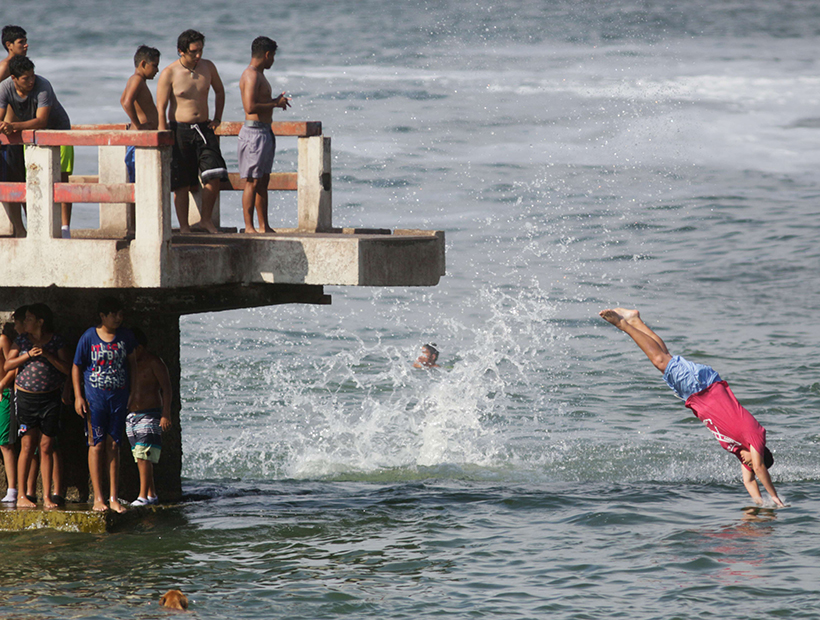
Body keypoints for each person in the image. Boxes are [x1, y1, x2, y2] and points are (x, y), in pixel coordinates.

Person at [599, 307, 785, 507]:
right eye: (751, 462)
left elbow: (748, 480)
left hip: (697, 393)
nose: (747, 464)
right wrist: (774, 498)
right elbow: (758, 469)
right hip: (703, 388)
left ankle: (635, 321)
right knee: (660, 360)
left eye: (747, 464)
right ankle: (623, 324)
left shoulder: (740, 448)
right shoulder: (755, 436)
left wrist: (759, 503)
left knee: (665, 357)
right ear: (759, 452)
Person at [156, 29, 228, 234]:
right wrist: (164, 134)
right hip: (179, 130)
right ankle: (185, 227)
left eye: (201, 51)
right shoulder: (169, 73)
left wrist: (218, 118)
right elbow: (160, 107)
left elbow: (220, 91)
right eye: (194, 52)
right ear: (181, 51)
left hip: (204, 127)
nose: (198, 56)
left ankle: (206, 220)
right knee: (182, 183)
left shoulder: (208, 67)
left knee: (214, 173)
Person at [72, 297, 137, 513]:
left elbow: (133, 365)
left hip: (118, 400)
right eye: (113, 314)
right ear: (102, 316)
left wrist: (133, 392)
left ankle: (113, 498)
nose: (118, 318)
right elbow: (76, 366)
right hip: (95, 401)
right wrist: (78, 396)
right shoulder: (89, 337)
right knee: (96, 445)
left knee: (114, 445)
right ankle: (98, 497)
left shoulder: (126, 337)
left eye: (120, 314)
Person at [3, 303, 71, 509]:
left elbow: (68, 368)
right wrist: (28, 355)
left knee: (47, 446)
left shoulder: (56, 340)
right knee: (27, 445)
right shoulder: (22, 340)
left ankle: (47, 495)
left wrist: (48, 356)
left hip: (50, 399)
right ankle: (22, 494)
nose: (25, 322)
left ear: (41, 322)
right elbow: (8, 364)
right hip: (27, 399)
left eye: (29, 319)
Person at [0, 56, 74, 238]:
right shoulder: (5, 89)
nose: (31, 81)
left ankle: (64, 229)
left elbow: (41, 121)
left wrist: (14, 126)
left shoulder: (43, 86)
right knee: (31, 180)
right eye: (26, 78)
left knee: (61, 180)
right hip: (31, 136)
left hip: (57, 131)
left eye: (32, 76)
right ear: (14, 79)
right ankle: (34, 228)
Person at [238, 36, 291, 234]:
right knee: (252, 180)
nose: (273, 61)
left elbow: (261, 103)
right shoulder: (251, 75)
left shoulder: (259, 75)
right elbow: (250, 106)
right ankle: (249, 226)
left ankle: (264, 225)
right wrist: (274, 103)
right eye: (273, 56)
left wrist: (275, 102)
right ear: (267, 55)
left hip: (264, 131)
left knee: (263, 180)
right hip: (254, 133)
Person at [125, 327, 171, 506]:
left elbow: (167, 389)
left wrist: (165, 414)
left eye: (132, 348)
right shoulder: (128, 364)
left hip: (150, 413)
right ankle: (151, 494)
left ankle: (142, 496)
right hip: (131, 415)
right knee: (139, 456)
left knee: (145, 455)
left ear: (141, 348)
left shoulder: (154, 362)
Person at [120, 45, 160, 183]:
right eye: (154, 66)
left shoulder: (136, 80)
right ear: (143, 64)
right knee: (139, 182)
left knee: (141, 182)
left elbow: (122, 100)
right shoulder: (137, 79)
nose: (157, 70)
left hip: (141, 139)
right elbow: (126, 102)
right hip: (139, 140)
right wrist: (138, 125)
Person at [0, 25, 27, 197]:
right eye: (21, 42)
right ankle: (20, 225)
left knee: (23, 180)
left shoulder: (21, 67)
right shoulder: (5, 67)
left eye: (26, 41)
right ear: (9, 45)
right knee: (15, 182)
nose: (26, 45)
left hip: (19, 131)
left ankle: (24, 224)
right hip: (8, 133)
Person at [0, 318, 19, 503]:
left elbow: (12, 367)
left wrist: (3, 384)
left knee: (5, 442)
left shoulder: (3, 340)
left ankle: (12, 489)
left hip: (3, 394)